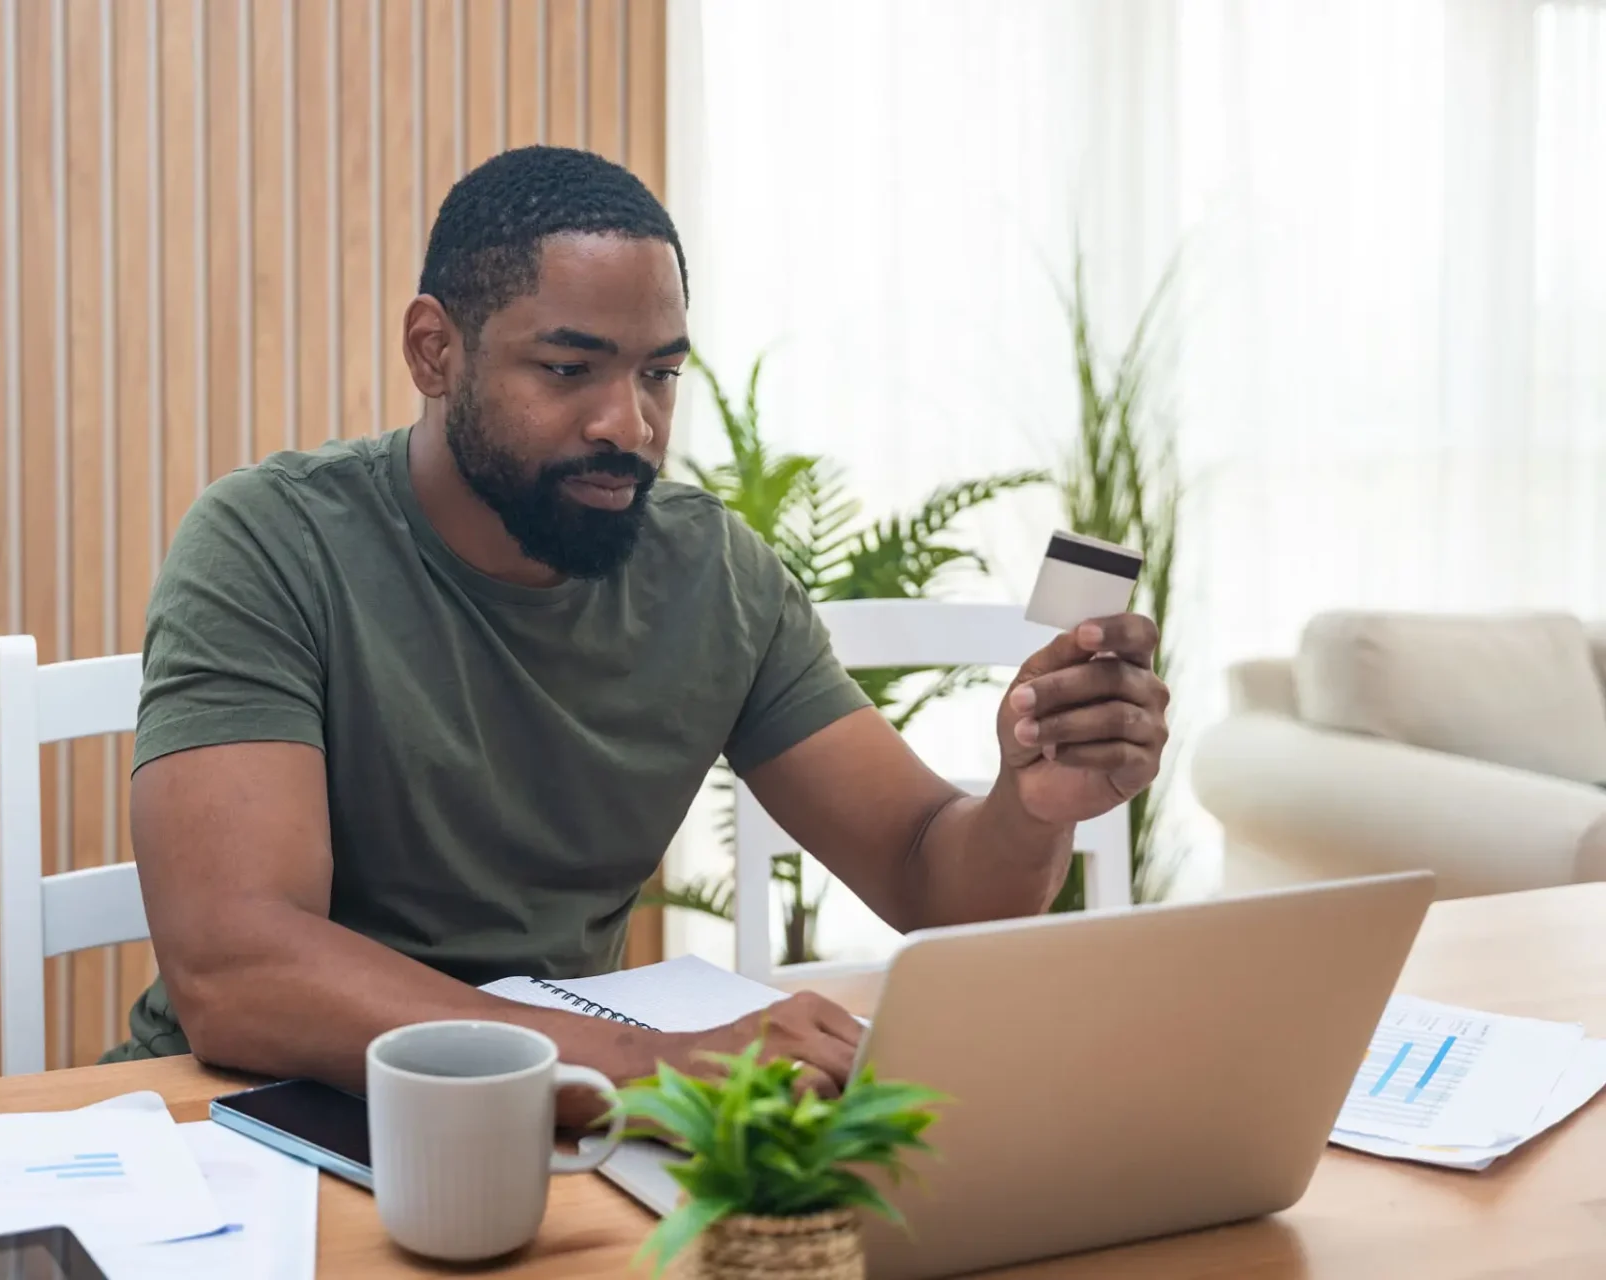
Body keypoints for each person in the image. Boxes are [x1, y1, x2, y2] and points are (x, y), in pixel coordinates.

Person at [106, 145, 1169, 1121]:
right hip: (258, 1115)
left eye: (660, 373)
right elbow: (238, 970)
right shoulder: (270, 542)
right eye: (569, 370)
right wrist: (645, 1062)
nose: (632, 425)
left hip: (562, 1134)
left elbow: (933, 876)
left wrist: (1030, 804)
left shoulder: (709, 576)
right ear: (436, 351)